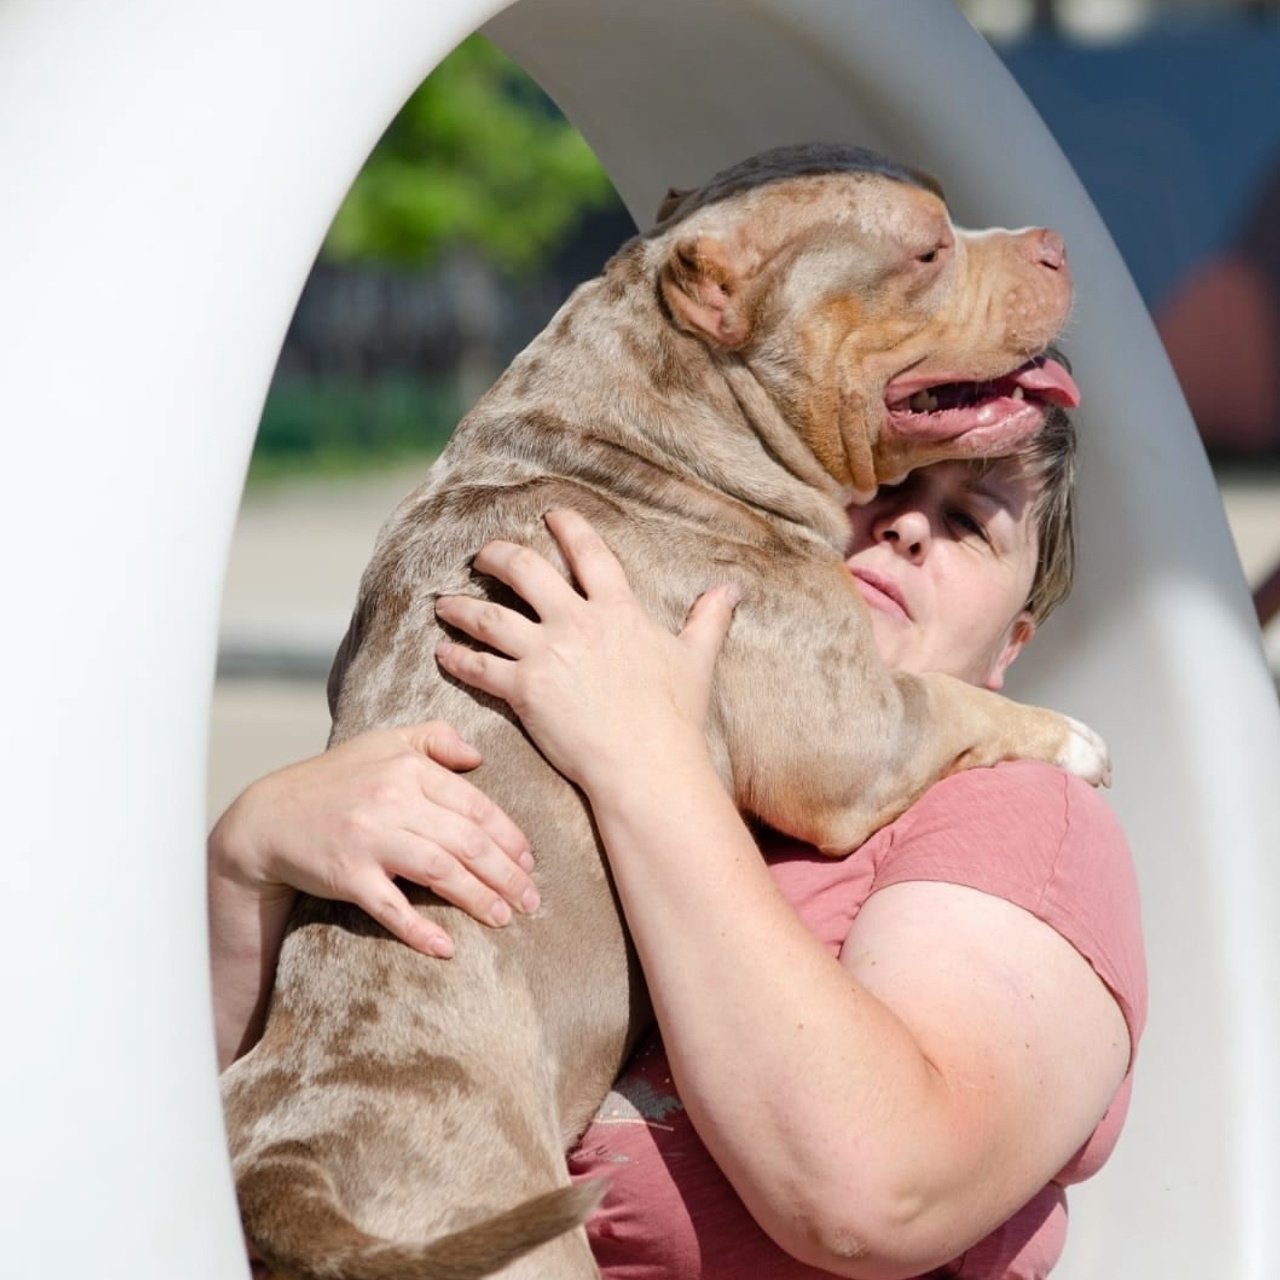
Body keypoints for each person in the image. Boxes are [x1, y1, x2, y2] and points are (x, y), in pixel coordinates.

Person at [208, 408, 1146, 1280]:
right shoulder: (568, 717)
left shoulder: (1021, 814)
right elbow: (222, 1139)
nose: (907, 526)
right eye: (888, 478)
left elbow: (875, 1192)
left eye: (970, 523)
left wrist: (645, 758)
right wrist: (246, 861)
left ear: (1011, 646)